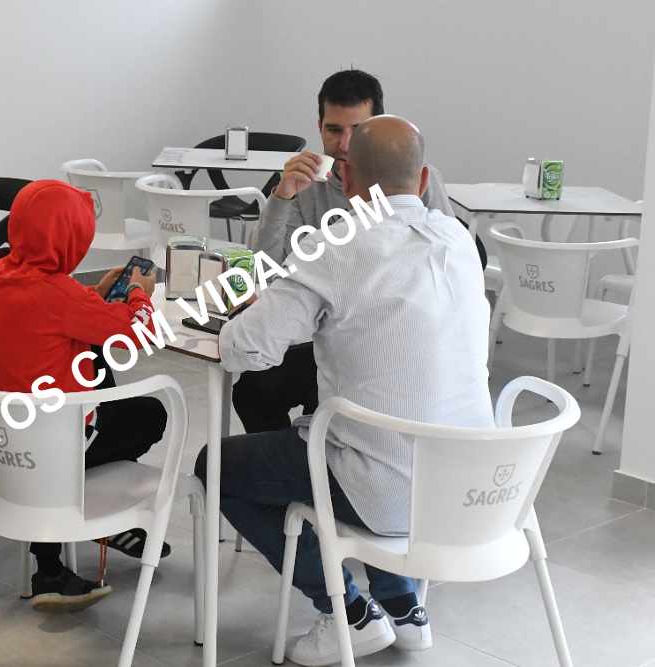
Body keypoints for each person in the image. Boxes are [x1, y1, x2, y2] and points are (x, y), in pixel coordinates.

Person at [196, 115, 494, 665]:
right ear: (423, 178)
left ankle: (346, 611)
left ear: (347, 177)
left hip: (382, 489)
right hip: (469, 490)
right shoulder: (457, 240)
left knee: (216, 465)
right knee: (376, 440)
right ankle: (404, 607)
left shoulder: (335, 247)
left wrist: (248, 315)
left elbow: (244, 350)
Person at [236, 68, 485, 435]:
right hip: (326, 335)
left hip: (401, 341)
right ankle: (301, 456)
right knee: (254, 389)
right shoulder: (306, 185)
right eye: (333, 130)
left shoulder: (414, 176)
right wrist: (282, 196)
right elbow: (265, 273)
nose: (345, 144)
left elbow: (450, 263)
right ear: (319, 127)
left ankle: (319, 452)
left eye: (357, 130)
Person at [0, 180, 170, 611]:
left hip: (6, 440)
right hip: (53, 449)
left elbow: (56, 315)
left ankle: (54, 564)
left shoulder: (0, 276)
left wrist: (97, 295)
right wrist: (138, 292)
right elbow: (139, 332)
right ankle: (99, 517)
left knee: (93, 361)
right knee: (148, 414)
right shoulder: (58, 294)